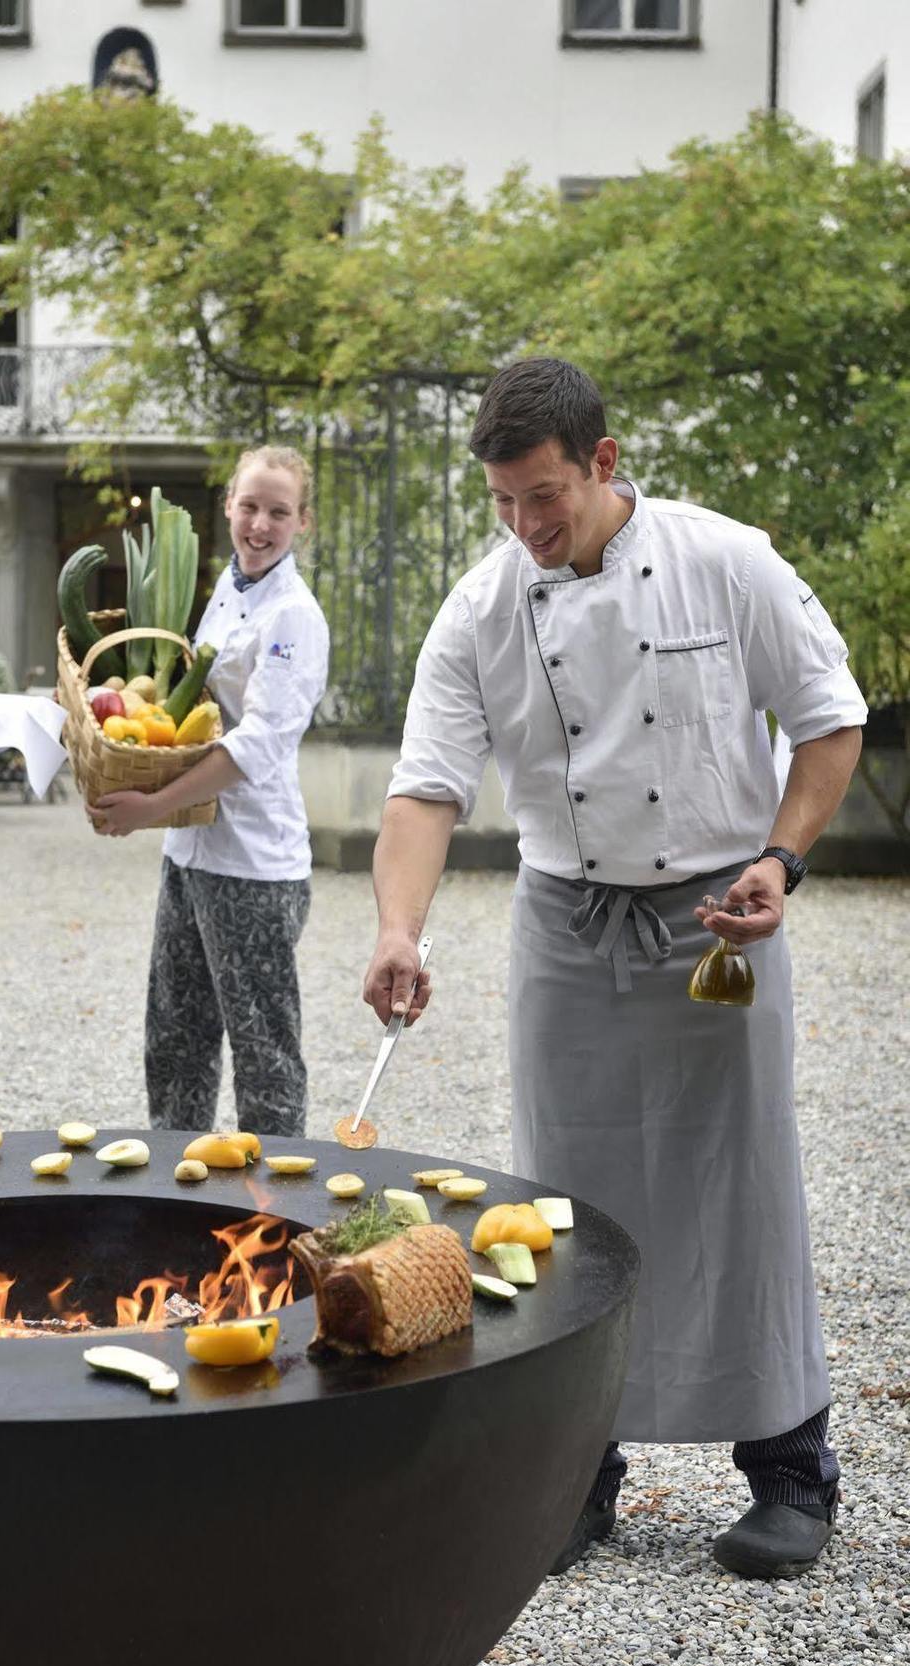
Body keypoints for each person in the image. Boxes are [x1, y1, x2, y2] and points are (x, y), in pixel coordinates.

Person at [362, 358, 866, 1580]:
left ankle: (792, 1470)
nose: (527, 528)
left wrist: (780, 861)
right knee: (562, 1203)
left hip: (715, 922)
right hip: (564, 923)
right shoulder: (481, 607)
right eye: (502, 503)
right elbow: (426, 788)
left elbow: (829, 715)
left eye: (545, 497)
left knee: (740, 1186)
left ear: (603, 461)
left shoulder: (725, 560)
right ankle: (577, 1479)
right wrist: (396, 929)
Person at [90, 446, 329, 1136]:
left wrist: (150, 809)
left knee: (265, 1057)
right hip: (191, 853)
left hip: (253, 864)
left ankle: (276, 1219)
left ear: (301, 522)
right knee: (175, 1042)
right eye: (249, 506)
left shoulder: (294, 617)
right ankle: (176, 1198)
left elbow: (257, 744)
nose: (260, 524)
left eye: (278, 512)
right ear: (228, 506)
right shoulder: (230, 588)